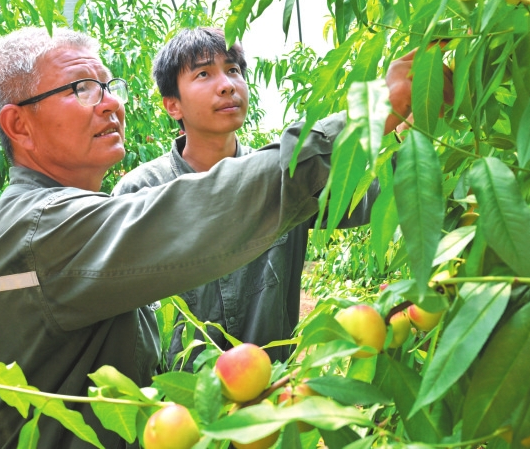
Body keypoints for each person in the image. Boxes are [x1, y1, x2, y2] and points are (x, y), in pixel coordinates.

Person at [0, 26, 415, 449]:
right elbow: (203, 210)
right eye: (81, 88)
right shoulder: (43, 228)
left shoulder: (56, 218)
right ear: (19, 126)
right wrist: (370, 112)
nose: (110, 103)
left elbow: (365, 198)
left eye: (108, 86)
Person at [112, 27, 377, 369]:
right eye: (204, 74)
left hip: (274, 387)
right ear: (173, 105)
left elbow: (370, 198)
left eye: (233, 70)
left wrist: (404, 135)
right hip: (179, 394)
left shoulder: (288, 174)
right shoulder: (141, 191)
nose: (227, 85)